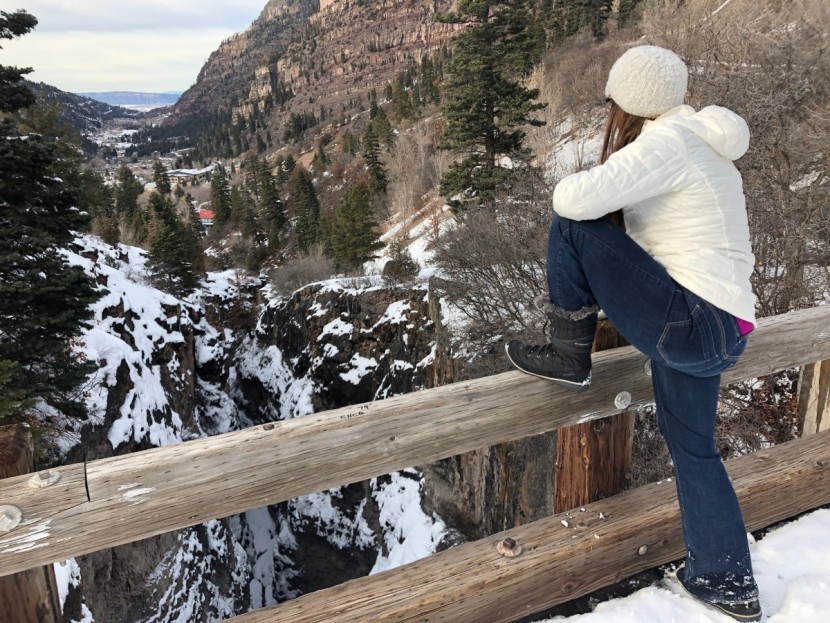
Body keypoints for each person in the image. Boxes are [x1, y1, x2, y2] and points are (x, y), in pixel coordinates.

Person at [505, 45, 762, 622]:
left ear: (631, 102)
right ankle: (726, 581)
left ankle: (570, 351)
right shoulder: (704, 144)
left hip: (693, 321)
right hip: (726, 327)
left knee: (570, 225)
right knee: (694, 451)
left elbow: (570, 200)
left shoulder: (667, 143)